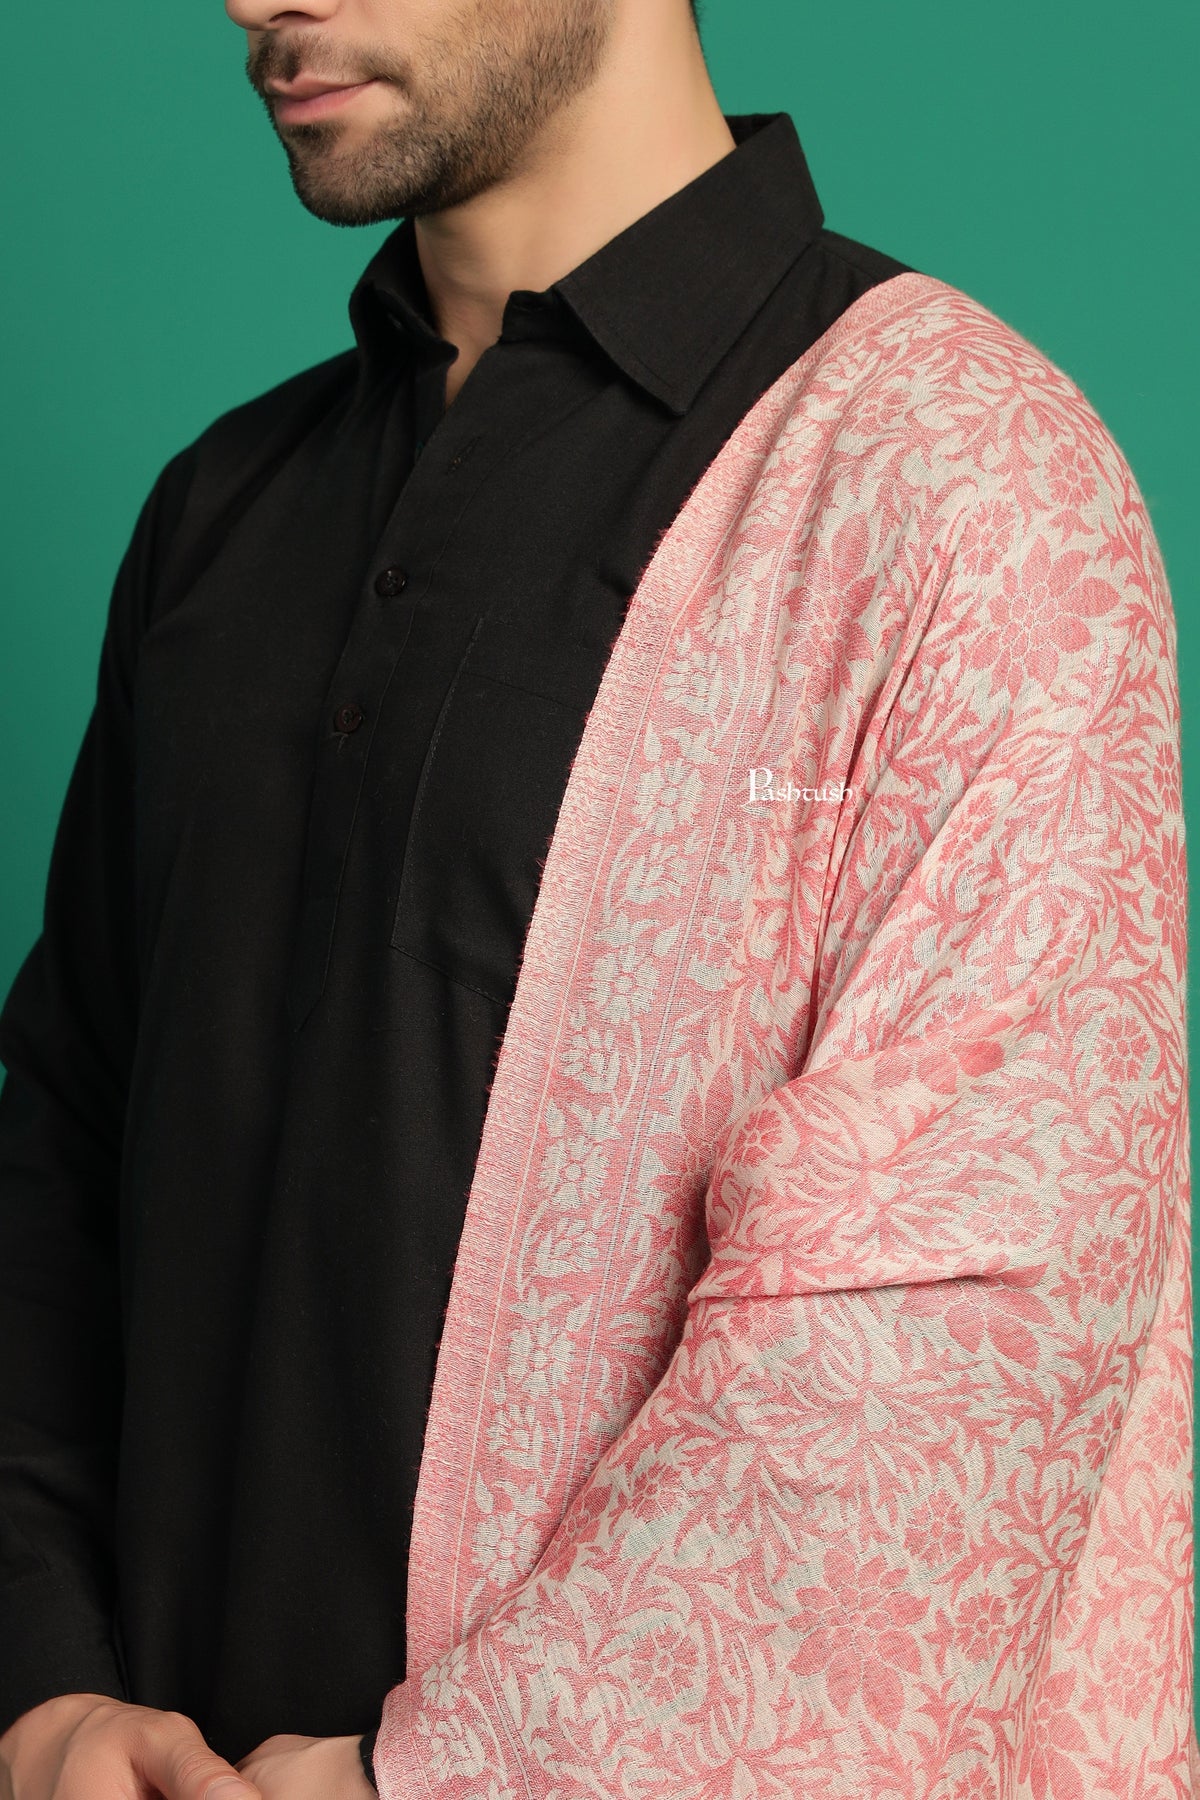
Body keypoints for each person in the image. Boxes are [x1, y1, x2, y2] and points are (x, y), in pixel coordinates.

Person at [0, 0, 1192, 1794]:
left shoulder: (955, 484)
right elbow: (61, 1163)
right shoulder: (221, 513)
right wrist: (42, 1687)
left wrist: (426, 1777)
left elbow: (956, 1330)